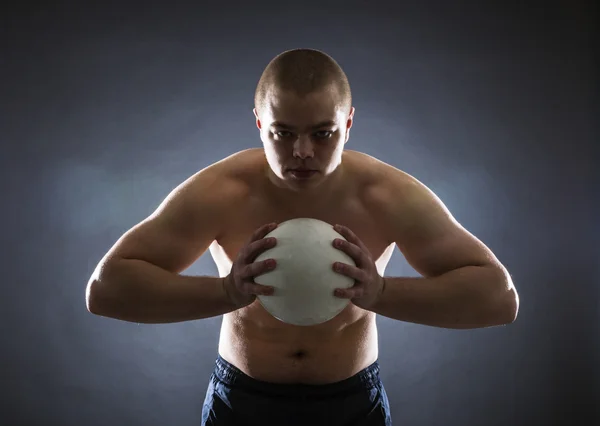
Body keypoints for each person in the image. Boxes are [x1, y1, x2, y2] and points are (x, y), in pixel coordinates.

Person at [86, 48, 519, 426]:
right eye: (284, 132)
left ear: (348, 124)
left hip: (350, 403)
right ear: (259, 123)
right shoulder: (222, 192)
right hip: (243, 401)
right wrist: (225, 292)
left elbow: (498, 299)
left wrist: (382, 293)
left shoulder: (385, 196)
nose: (302, 152)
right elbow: (106, 291)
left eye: (322, 133)